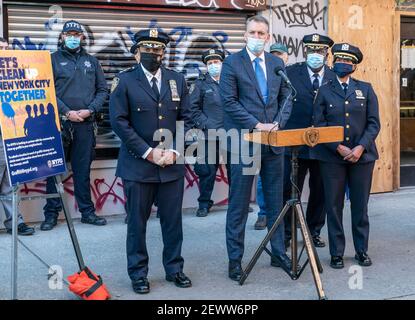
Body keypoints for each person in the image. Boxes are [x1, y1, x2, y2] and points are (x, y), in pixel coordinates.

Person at [109, 28, 193, 294]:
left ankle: (174, 269)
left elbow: (187, 120)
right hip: (138, 165)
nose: (153, 54)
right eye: (147, 49)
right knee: (137, 223)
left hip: (171, 165)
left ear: (164, 52)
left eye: (158, 49)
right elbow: (119, 122)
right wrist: (148, 152)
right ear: (137, 53)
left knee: (173, 222)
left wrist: (175, 151)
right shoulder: (123, 81)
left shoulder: (177, 80)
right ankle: (138, 273)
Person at [219, 15, 293, 282]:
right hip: (244, 143)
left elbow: (287, 97)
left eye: (262, 33)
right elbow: (228, 102)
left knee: (275, 202)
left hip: (273, 144)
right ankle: (235, 260)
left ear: (269, 37)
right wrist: (256, 124)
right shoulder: (231, 63)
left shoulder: (276, 63)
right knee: (238, 205)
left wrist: (277, 123)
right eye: (253, 32)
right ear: (244, 35)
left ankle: (278, 253)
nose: (257, 37)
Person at [311, 43, 380, 269]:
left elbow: (373, 124)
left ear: (355, 65)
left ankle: (361, 250)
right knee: (334, 206)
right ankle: (336, 253)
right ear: (334, 62)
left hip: (362, 157)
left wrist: (360, 147)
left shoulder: (366, 89)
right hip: (332, 158)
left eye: (349, 61)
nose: (344, 64)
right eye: (340, 60)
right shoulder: (324, 89)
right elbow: (319, 124)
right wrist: (337, 147)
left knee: (360, 206)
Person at [40, 20, 108, 231]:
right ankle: (51, 215)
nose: (72, 37)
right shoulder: (52, 60)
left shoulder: (92, 62)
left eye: (76, 34)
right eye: (68, 34)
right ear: (61, 37)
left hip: (85, 126)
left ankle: (87, 213)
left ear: (82, 37)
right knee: (54, 172)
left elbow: (103, 91)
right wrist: (66, 112)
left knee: (82, 171)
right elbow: (45, 89)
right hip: (59, 125)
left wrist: (90, 110)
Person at [282, 34, 336, 249]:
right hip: (294, 144)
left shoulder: (334, 76)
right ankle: (286, 233)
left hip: (324, 145)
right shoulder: (290, 73)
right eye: (312, 50)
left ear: (327, 54)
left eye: (320, 51)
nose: (316, 55)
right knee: (289, 190)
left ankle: (313, 231)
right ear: (305, 52)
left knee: (321, 190)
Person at [0, 37, 35, 235]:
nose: (4, 51)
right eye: (0, 48)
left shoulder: (16, 76)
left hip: (13, 137)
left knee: (11, 184)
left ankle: (15, 222)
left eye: (6, 48)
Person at [190, 49, 231, 217]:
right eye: (210, 63)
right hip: (209, 135)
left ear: (223, 63)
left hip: (231, 134)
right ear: (206, 66)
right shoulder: (200, 83)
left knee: (235, 170)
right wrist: (208, 125)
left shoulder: (230, 81)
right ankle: (204, 203)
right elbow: (193, 109)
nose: (214, 65)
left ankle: (237, 202)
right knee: (207, 171)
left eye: (217, 62)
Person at [254, 42, 290, 231]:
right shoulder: (266, 73)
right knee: (264, 178)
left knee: (286, 179)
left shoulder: (290, 76)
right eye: (274, 54)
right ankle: (263, 213)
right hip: (267, 134)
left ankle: (286, 216)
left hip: (289, 136)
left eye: (280, 55)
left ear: (287, 57)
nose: (277, 58)